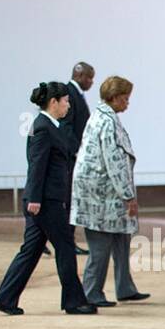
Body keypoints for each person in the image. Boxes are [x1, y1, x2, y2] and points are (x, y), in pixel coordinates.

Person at [0, 82, 94, 316]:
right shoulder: (42, 127)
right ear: (53, 102)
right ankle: (73, 301)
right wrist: (35, 199)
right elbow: (36, 165)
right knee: (65, 247)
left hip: (45, 199)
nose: (69, 105)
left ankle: (5, 297)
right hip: (46, 201)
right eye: (66, 101)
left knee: (31, 250)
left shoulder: (50, 125)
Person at [70, 76, 149, 307]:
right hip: (102, 195)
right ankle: (92, 292)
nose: (127, 103)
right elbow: (114, 163)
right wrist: (129, 196)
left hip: (104, 194)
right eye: (125, 98)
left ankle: (125, 287)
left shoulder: (102, 116)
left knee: (121, 238)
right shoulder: (107, 122)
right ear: (114, 98)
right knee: (100, 246)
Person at [64, 61, 94, 257]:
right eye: (90, 77)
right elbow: (67, 126)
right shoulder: (71, 94)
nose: (91, 82)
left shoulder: (76, 94)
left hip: (75, 156)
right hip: (73, 158)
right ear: (80, 75)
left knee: (71, 200)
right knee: (70, 200)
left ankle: (67, 240)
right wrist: (77, 151)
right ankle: (67, 241)